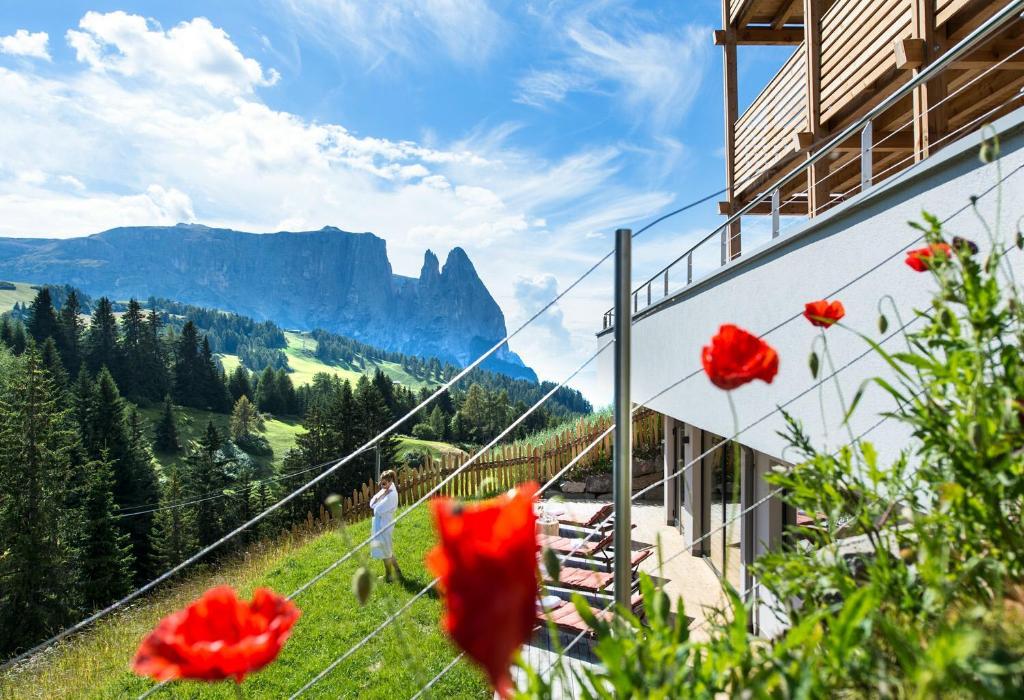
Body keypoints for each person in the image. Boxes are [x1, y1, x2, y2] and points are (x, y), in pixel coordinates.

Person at [369, 469, 403, 582]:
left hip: (385, 525)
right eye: (381, 483)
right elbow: (371, 503)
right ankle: (397, 571)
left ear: (390, 481)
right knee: (387, 549)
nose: (382, 486)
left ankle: (388, 576)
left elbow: (376, 510)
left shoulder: (392, 494)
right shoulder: (386, 490)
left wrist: (381, 497)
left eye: (384, 484)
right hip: (381, 523)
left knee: (385, 551)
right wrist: (383, 494)